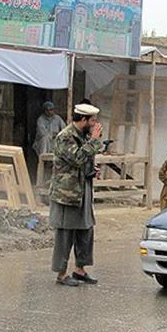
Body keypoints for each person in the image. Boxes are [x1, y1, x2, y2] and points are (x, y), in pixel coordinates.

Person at [49, 102, 103, 287]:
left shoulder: (83, 136)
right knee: (65, 233)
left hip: (83, 190)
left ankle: (80, 269)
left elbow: (85, 161)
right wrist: (94, 141)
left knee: (86, 229)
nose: (95, 124)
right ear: (83, 120)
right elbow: (77, 159)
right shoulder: (65, 137)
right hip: (67, 193)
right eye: (92, 120)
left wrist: (92, 170)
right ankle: (61, 273)